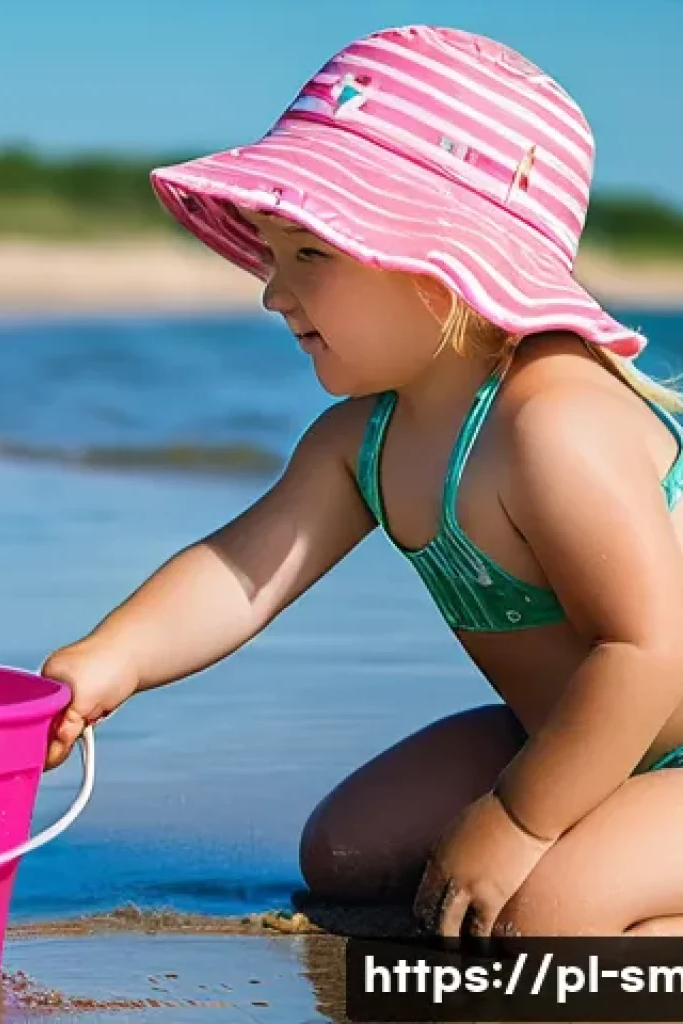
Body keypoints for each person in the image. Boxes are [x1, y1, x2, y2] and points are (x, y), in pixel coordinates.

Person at [40, 25, 683, 938]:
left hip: (664, 741)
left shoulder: (554, 425)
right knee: (342, 851)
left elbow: (645, 653)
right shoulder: (364, 440)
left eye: (311, 254)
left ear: (446, 268)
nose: (272, 290)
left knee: (548, 919)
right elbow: (242, 569)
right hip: (561, 735)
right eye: (271, 252)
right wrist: (116, 657)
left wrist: (517, 819)